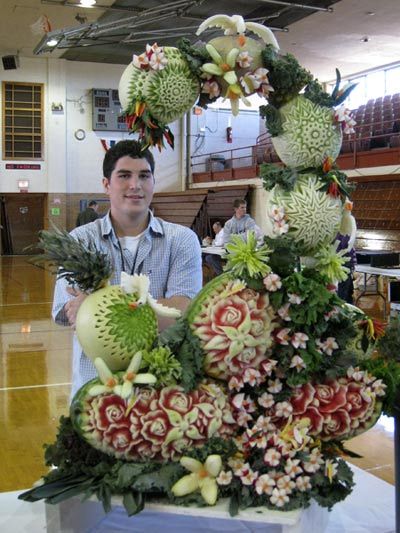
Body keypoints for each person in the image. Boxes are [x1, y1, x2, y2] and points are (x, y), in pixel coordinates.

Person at [53, 139, 203, 397]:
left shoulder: (182, 240)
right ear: (106, 184)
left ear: (153, 182)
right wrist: (154, 309)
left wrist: (97, 307)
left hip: (161, 391)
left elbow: (183, 311)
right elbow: (69, 313)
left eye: (144, 176)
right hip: (95, 392)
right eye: (124, 175)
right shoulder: (79, 241)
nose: (135, 185)